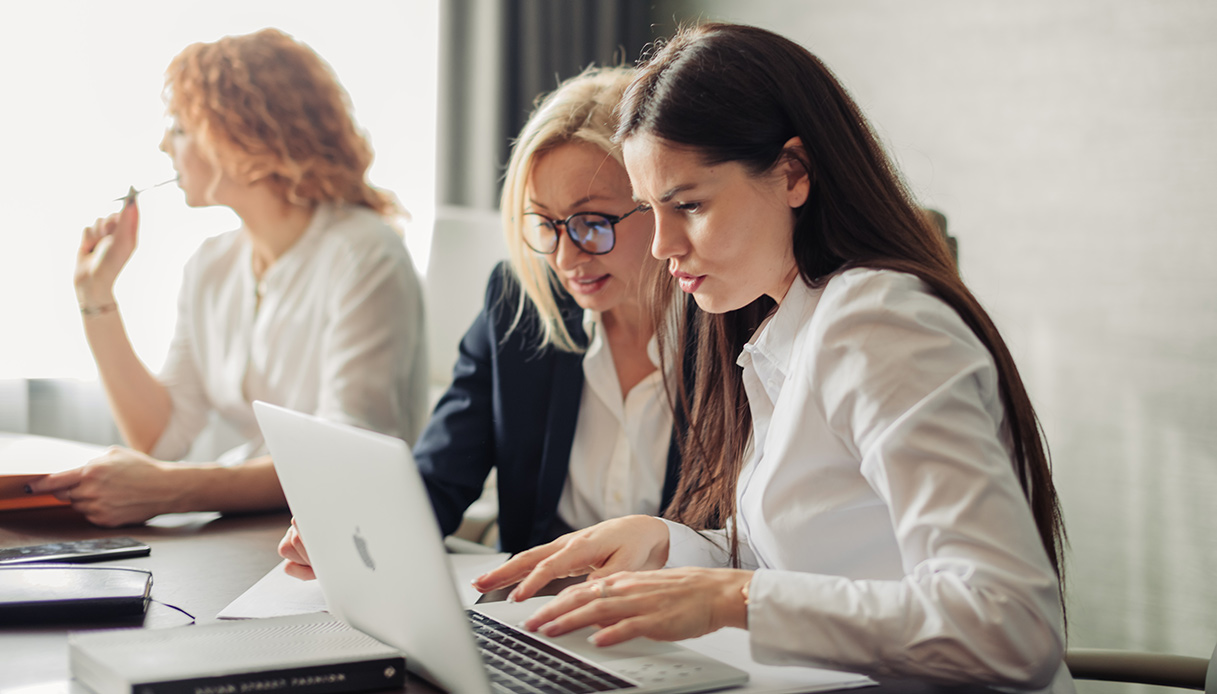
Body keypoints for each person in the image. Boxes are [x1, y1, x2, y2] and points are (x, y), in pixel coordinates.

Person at [474, 23, 1072, 691]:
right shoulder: (777, 323)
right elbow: (812, 552)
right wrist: (666, 543)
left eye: (689, 205)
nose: (661, 244)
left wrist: (733, 599)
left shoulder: (878, 323)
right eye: (649, 210)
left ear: (792, 173)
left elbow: (1011, 624)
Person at [278, 65, 691, 576]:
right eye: (546, 224)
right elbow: (439, 478)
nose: (564, 258)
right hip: (536, 613)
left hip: (681, 621)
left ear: (658, 205)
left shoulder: (732, 329)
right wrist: (352, 529)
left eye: (591, 223)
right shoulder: (517, 304)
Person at [29, 28, 427, 527]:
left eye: (178, 127)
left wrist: (170, 490)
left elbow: (345, 457)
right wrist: (96, 296)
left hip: (353, 536)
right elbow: (161, 437)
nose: (162, 144)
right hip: (260, 532)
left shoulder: (366, 255)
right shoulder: (210, 265)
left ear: (241, 135)